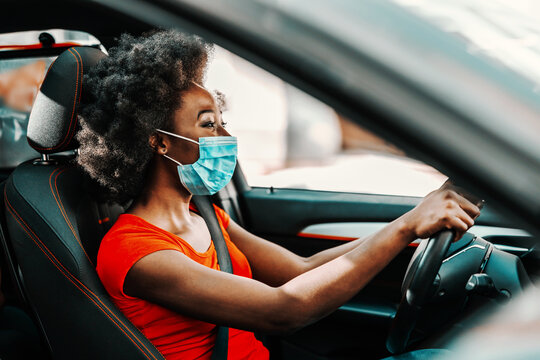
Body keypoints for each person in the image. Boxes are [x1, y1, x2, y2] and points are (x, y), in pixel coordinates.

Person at [76, 30, 481, 360]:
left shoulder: (207, 218)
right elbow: (284, 310)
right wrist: (406, 226)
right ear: (158, 142)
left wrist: (408, 222)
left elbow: (300, 272)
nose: (226, 137)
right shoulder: (134, 252)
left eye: (223, 122)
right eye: (208, 125)